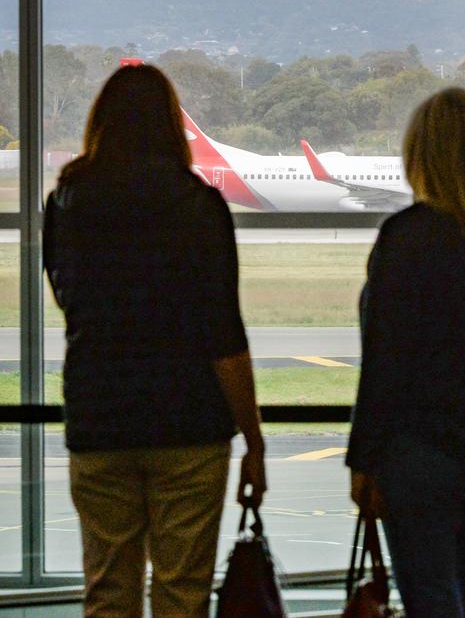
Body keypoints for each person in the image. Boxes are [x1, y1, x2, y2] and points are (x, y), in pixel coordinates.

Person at [44, 63, 266, 618]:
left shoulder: (66, 205)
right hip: (187, 427)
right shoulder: (198, 207)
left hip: (99, 420)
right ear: (170, 125)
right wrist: (254, 441)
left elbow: (70, 303)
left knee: (109, 593)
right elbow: (223, 334)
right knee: (181, 594)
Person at [346, 86, 465, 618]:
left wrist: (363, 460)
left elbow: (384, 364)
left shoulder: (404, 237)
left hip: (420, 452)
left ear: (418, 154)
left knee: (430, 601)